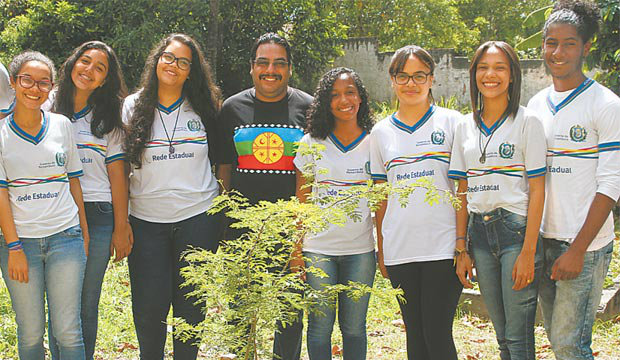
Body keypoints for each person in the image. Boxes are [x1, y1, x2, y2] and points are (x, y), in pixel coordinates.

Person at [527, 1, 620, 359]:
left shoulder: (605, 104)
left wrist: (578, 250)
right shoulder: (536, 104)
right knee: (558, 338)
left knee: (569, 345)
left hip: (583, 245)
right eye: (551, 42)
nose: (558, 51)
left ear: (586, 46)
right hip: (543, 241)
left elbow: (611, 184)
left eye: (568, 43)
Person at [123, 33, 222, 359]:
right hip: (146, 223)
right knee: (149, 310)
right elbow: (121, 168)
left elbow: (222, 161)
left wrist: (221, 210)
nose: (174, 65)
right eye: (168, 57)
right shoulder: (133, 106)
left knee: (191, 309)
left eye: (183, 62)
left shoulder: (206, 107)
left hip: (197, 219)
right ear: (157, 60)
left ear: (191, 71)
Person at [215, 32, 312, 360]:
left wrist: (303, 233)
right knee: (241, 315)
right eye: (263, 63)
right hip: (244, 234)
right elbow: (224, 169)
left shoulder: (308, 108)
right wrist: (226, 223)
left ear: (289, 68)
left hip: (291, 231)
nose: (270, 70)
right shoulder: (232, 108)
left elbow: (312, 173)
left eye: (279, 63)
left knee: (289, 315)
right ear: (252, 67)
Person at [449, 41, 547, 360]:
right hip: (479, 234)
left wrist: (528, 252)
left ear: (512, 76)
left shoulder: (527, 121)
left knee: (518, 337)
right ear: (474, 73)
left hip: (515, 234)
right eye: (483, 67)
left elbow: (537, 189)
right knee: (502, 334)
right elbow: (461, 190)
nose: (490, 74)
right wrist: (461, 248)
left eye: (500, 67)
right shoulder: (464, 125)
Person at [369, 45, 463, 360]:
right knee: (415, 336)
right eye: (403, 76)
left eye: (419, 76)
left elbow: (464, 188)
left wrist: (463, 244)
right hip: (400, 248)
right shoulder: (380, 133)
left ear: (432, 79)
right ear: (392, 80)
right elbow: (380, 198)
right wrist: (382, 248)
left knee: (436, 333)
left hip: (443, 244)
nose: (411, 84)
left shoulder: (453, 123)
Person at [0, 51, 88, 359]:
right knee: (31, 333)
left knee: (68, 332)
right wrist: (13, 248)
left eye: (43, 82)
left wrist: (84, 234)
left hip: (66, 238)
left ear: (51, 87)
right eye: (27, 80)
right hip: (20, 245)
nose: (34, 89)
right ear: (13, 83)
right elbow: (1, 195)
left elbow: (74, 181)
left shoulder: (62, 125)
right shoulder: (0, 135)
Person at [46, 41, 132, 360]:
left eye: (100, 68)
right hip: (52, 210)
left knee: (85, 302)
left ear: (105, 80)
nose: (89, 71)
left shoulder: (108, 117)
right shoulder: (46, 104)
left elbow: (117, 176)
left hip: (97, 214)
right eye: (85, 62)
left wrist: (120, 226)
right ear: (72, 63)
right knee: (58, 301)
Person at [293, 67, 375, 360]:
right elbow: (301, 200)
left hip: (361, 251)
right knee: (319, 328)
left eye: (350, 92)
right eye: (335, 95)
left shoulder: (374, 142)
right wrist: (296, 250)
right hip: (318, 250)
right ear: (325, 103)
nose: (344, 100)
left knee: (354, 329)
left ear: (361, 97)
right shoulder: (311, 143)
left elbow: (382, 201)